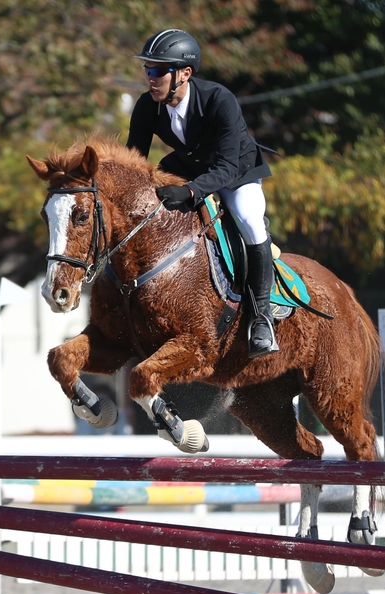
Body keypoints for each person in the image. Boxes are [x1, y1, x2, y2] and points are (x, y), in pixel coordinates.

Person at [126, 29, 278, 359]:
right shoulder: (147, 105)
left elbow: (224, 168)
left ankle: (261, 318)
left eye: (158, 71)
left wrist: (190, 191)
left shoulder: (219, 100)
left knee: (250, 222)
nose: (150, 79)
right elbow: (134, 160)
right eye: (147, 71)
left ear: (184, 74)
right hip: (188, 166)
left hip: (237, 172)